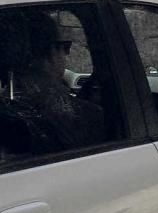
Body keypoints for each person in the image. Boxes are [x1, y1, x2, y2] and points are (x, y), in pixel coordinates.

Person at [0, 10, 105, 154]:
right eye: (66, 47)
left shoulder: (7, 107)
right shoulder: (89, 117)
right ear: (52, 52)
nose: (65, 55)